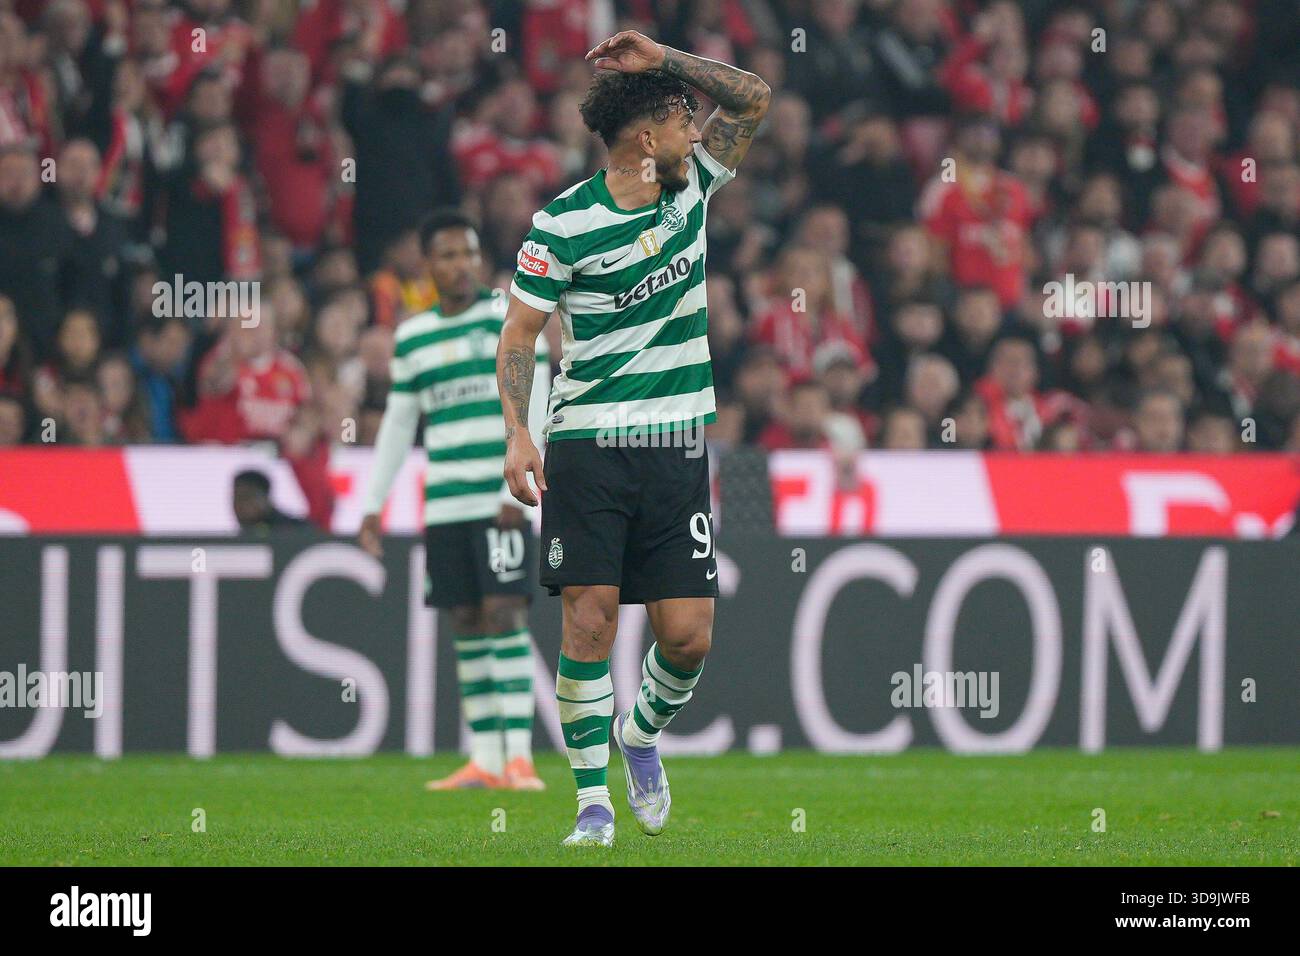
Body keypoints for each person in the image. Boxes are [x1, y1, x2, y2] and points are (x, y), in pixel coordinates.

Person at [496, 30, 770, 846]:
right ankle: (592, 805)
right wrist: (518, 435)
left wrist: (668, 61)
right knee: (590, 622)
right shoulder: (561, 225)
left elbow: (753, 96)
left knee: (687, 636)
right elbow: (519, 336)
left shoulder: (694, 187)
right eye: (684, 119)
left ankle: (640, 734)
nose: (696, 130)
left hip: (676, 448)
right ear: (646, 139)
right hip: (587, 446)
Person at [359, 210, 551, 792]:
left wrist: (516, 484)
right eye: (447, 255)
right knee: (466, 619)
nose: (461, 264)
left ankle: (520, 758)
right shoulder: (413, 336)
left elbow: (539, 392)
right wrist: (373, 503)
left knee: (505, 612)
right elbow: (399, 424)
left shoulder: (507, 317)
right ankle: (486, 759)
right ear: (427, 265)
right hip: (444, 503)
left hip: (501, 497)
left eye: (468, 252)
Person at [231, 469, 305, 533]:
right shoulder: (245, 536)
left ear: (264, 497)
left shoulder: (296, 530)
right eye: (235, 498)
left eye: (245, 497)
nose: (239, 505)